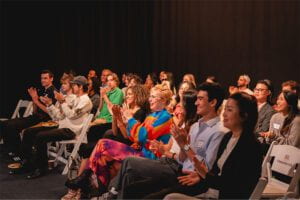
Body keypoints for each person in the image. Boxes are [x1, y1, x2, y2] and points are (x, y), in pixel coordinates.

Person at [105, 82, 226, 199]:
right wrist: (175, 146)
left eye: (200, 99)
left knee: (128, 163)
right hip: (177, 168)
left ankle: (111, 194)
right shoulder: (195, 126)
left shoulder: (217, 131)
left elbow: (207, 169)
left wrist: (183, 146)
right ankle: (111, 193)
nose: (196, 103)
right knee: (131, 183)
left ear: (213, 102)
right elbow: (183, 158)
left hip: (189, 178)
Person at [63, 84, 173, 199]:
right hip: (141, 150)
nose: (150, 99)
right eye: (150, 96)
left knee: (103, 144)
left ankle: (87, 183)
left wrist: (130, 119)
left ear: (164, 100)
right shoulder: (153, 115)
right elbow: (134, 137)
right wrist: (122, 119)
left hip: (149, 157)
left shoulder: (165, 117)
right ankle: (93, 189)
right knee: (102, 155)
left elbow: (141, 136)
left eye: (154, 97)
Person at [164, 92, 263, 199]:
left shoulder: (250, 146)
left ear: (244, 115)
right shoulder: (227, 136)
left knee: (169, 197)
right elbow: (214, 170)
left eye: (229, 110)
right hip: (201, 183)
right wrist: (201, 176)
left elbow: (233, 185)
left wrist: (203, 174)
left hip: (219, 193)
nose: (224, 114)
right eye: (225, 109)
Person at [13, 76, 93, 179]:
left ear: (80, 86)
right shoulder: (75, 98)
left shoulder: (86, 101)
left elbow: (71, 115)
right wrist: (50, 104)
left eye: (74, 85)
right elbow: (59, 116)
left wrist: (62, 102)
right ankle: (27, 163)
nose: (72, 87)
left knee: (40, 136)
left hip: (72, 131)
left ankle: (41, 168)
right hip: (63, 127)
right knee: (29, 132)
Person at [1, 70, 57, 158]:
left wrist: (36, 101)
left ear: (51, 79)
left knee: (12, 126)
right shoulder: (41, 90)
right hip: (35, 117)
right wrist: (34, 100)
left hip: (44, 120)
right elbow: (35, 111)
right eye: (42, 78)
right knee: (4, 124)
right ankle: (13, 151)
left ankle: (19, 153)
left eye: (45, 78)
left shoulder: (53, 92)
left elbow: (50, 112)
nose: (42, 80)